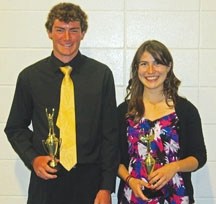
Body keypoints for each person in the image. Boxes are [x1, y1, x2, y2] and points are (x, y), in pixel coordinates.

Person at [4, 2, 119, 204]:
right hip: (46, 181)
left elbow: (110, 134)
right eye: (60, 30)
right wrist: (33, 158)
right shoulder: (30, 77)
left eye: (73, 30)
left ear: (83, 33)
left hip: (90, 183)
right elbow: (15, 127)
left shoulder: (101, 75)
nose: (67, 38)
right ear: (50, 32)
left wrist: (106, 187)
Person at [117, 40, 207, 204]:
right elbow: (112, 158)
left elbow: (199, 156)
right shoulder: (123, 112)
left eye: (157, 63)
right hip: (133, 198)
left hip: (176, 198)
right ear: (137, 68)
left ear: (169, 66)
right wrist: (130, 180)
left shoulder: (186, 111)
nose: (150, 70)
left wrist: (174, 167)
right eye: (144, 64)